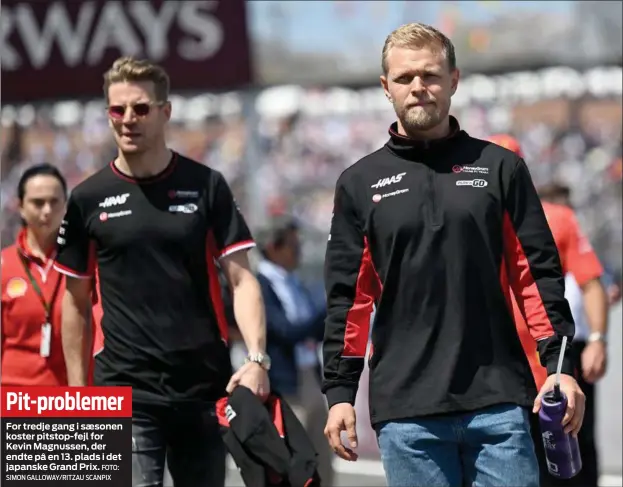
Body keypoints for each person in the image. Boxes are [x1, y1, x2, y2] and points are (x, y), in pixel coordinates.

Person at [322, 23, 585, 487]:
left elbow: (536, 275)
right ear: (386, 88)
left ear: (454, 80)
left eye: (430, 75)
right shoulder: (359, 183)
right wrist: (340, 393)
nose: (418, 87)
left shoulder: (501, 168)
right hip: (407, 415)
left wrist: (559, 368)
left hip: (500, 403)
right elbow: (349, 299)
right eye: (404, 78)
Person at [54, 56, 270, 487]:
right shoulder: (87, 197)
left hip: (203, 386)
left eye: (140, 108)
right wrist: (78, 395)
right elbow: (74, 301)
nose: (128, 119)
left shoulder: (206, 185)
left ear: (165, 111)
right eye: (117, 110)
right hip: (123, 387)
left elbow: (243, 279)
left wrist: (257, 358)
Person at [488, 139, 609, 487]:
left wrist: (597, 341)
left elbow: (591, 282)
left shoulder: (556, 219)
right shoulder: (463, 218)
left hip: (553, 365)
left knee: (572, 463)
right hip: (495, 373)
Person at [255, 215, 334, 486]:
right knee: (291, 456)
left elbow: (310, 330)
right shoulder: (259, 285)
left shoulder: (294, 282)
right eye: (292, 245)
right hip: (284, 383)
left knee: (321, 454)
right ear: (273, 247)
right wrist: (327, 310)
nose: (298, 251)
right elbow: (286, 332)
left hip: (309, 375)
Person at [2, 164, 72, 386]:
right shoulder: (4, 265)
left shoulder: (84, 264)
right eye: (38, 203)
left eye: (54, 202)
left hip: (70, 399)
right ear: (20, 206)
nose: (47, 211)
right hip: (14, 397)